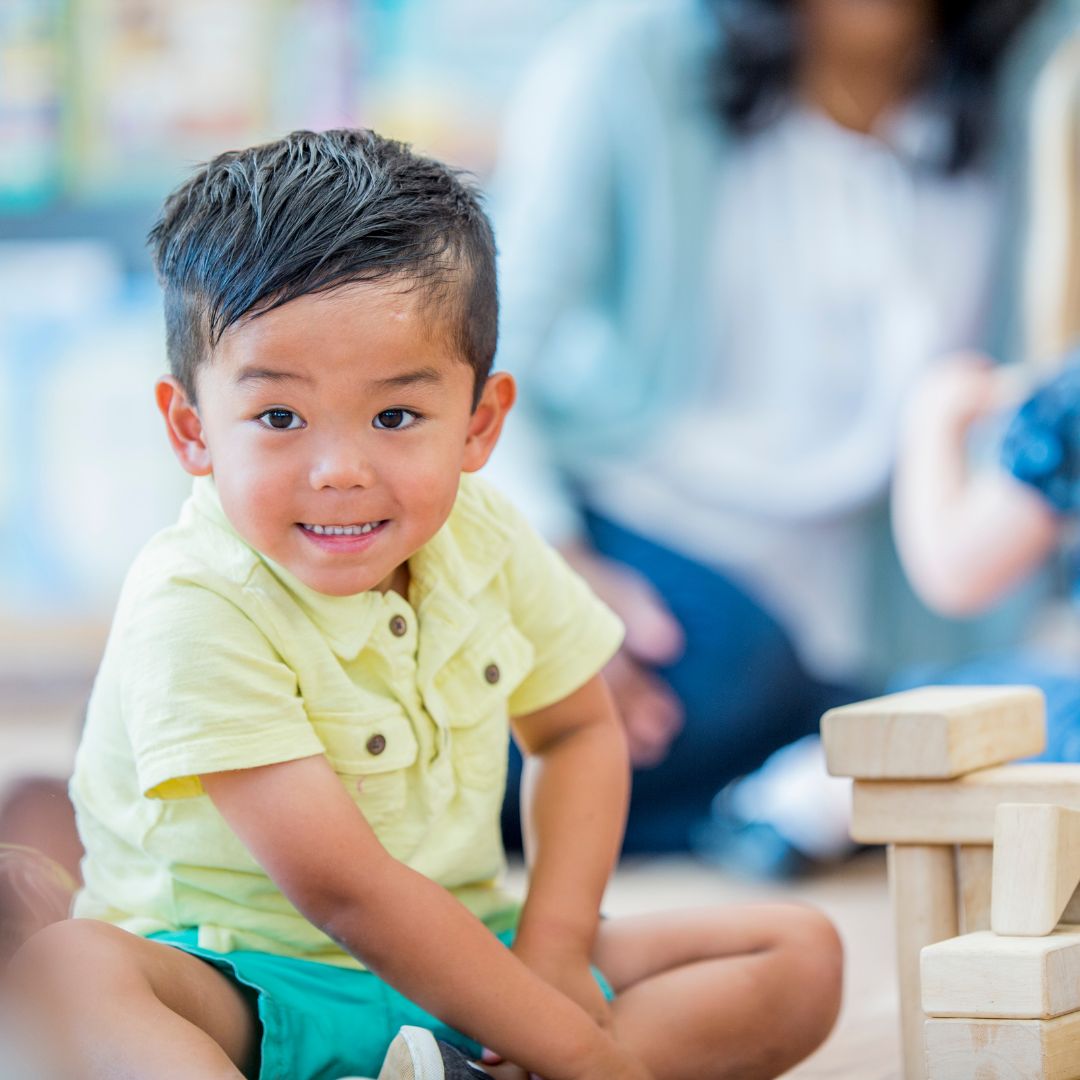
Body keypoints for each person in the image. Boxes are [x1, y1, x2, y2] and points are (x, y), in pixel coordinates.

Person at [4, 130, 842, 1080]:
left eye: (396, 416)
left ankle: (465, 1069)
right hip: (249, 984)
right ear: (192, 430)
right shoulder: (192, 602)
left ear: (479, 424)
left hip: (467, 951)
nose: (340, 472)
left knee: (797, 950)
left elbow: (577, 733)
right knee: (73, 970)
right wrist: (577, 1052)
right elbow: (346, 894)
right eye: (279, 418)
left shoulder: (484, 534)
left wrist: (555, 951)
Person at [486, 0, 1052, 864]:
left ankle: (767, 796)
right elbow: (484, 350)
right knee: (720, 676)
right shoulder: (631, 61)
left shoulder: (1036, 78)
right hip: (634, 534)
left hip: (883, 604)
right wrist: (555, 570)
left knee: (987, 718)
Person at [893, 32, 1080, 751]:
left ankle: (792, 801)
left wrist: (933, 418)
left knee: (923, 709)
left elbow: (956, 569)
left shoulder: (1068, 400)